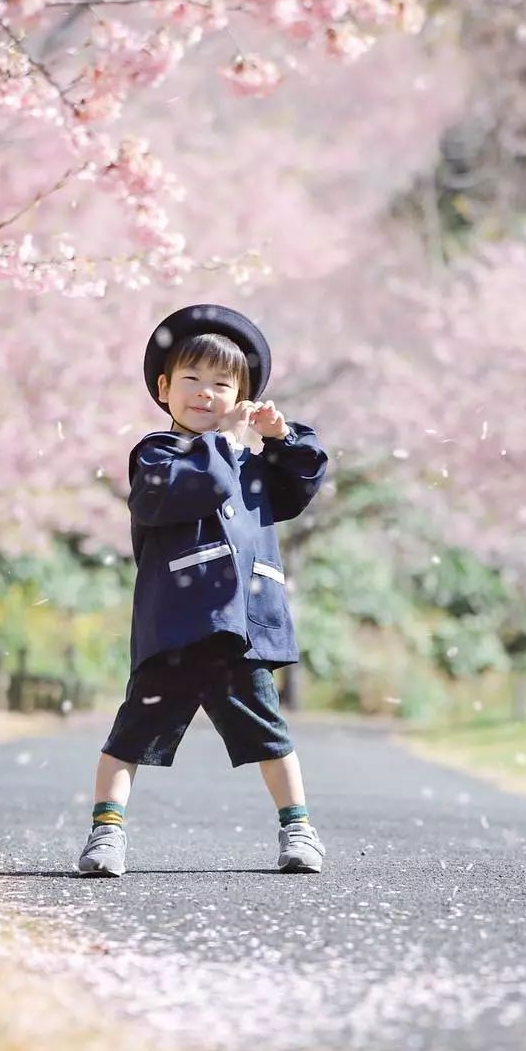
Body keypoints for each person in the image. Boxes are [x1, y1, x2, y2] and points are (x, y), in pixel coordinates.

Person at [76, 303, 329, 877]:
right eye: (190, 379)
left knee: (270, 733)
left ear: (241, 396)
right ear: (164, 388)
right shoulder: (158, 456)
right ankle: (106, 833)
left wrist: (281, 435)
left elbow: (306, 478)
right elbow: (202, 485)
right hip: (176, 626)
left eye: (221, 384)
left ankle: (299, 829)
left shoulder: (254, 464)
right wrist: (232, 445)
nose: (204, 393)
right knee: (131, 734)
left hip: (239, 627)